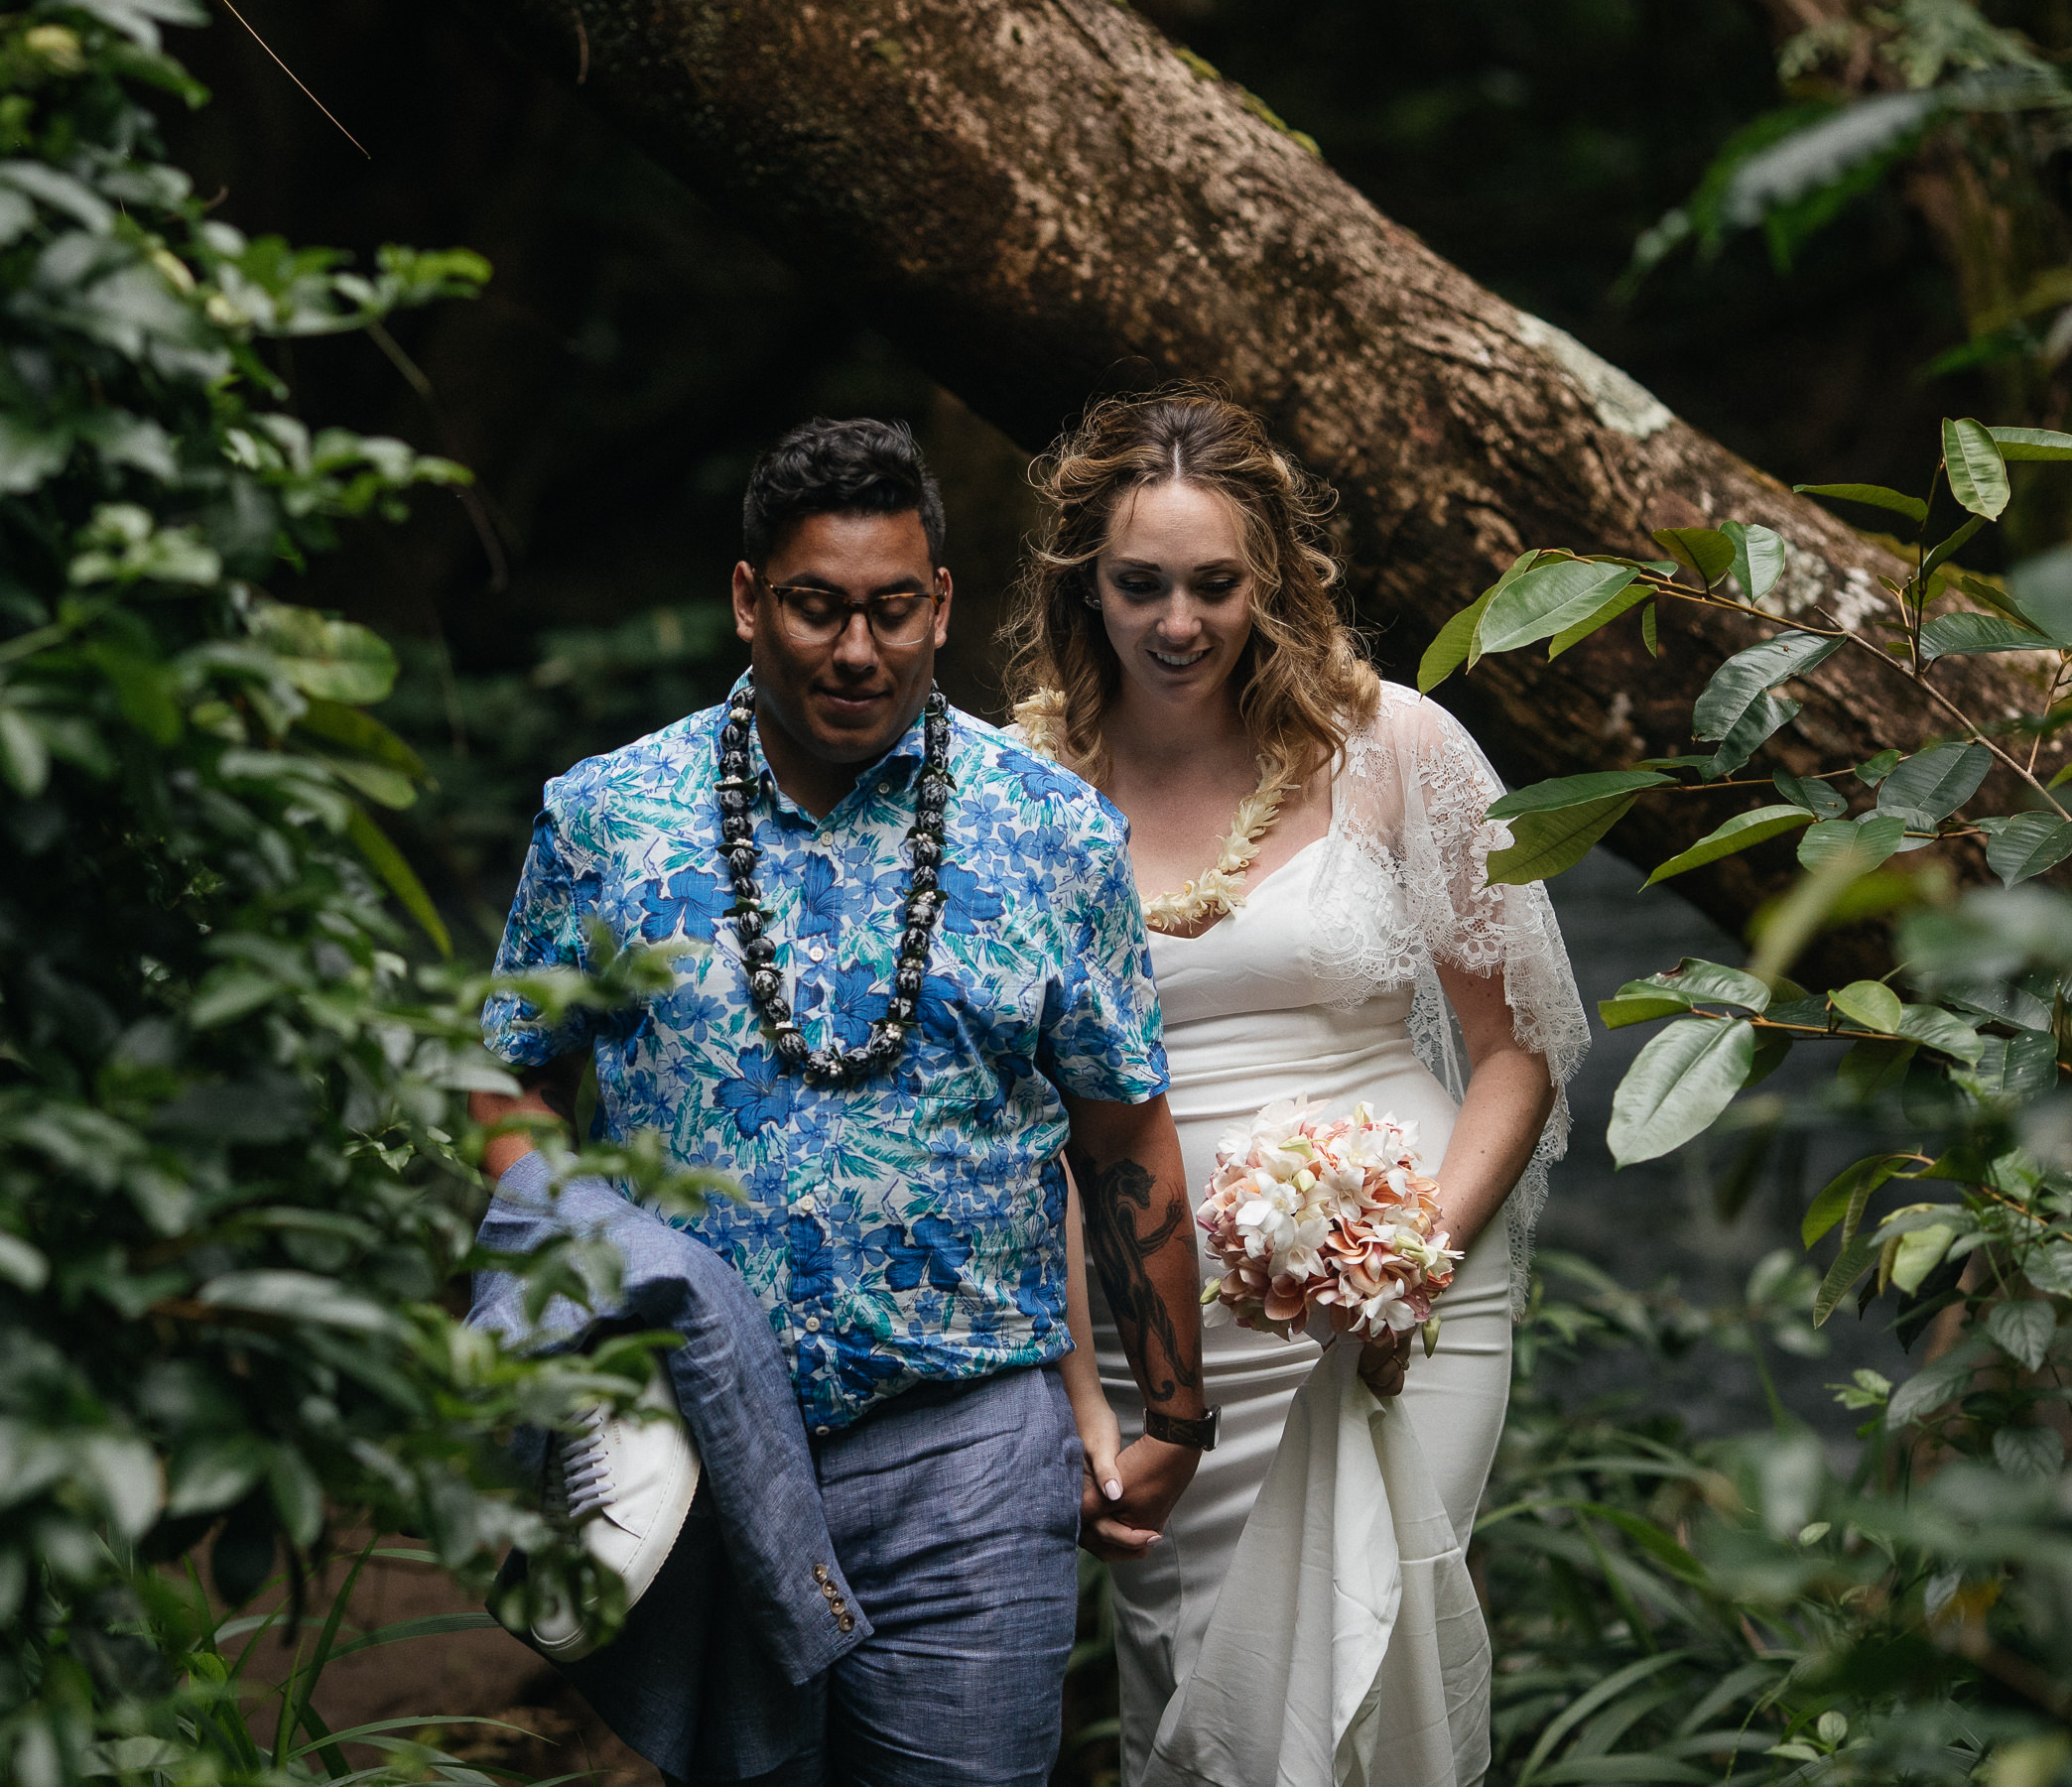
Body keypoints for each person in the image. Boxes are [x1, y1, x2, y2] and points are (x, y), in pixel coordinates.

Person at [471, 416, 1209, 1787]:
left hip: (971, 1450)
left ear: (941, 604)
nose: (856, 651)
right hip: (693, 1453)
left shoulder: (1051, 834)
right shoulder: (609, 818)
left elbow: (1123, 1133)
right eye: (817, 608)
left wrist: (1173, 1415)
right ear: (750, 599)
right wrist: (598, 1263)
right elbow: (512, 1080)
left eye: (889, 611)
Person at [1008, 391, 1588, 1787]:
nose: (1178, 623)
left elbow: (1517, 1046)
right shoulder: (1019, 786)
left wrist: (1416, 1259)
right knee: (1205, 1686)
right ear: (1084, 580)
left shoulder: (1395, 746)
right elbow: (1019, 1118)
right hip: (1166, 1330)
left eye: (1215, 584)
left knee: (1363, 1661)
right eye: (1140, 585)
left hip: (1407, 1301)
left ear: (1271, 574)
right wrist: (1092, 1390)